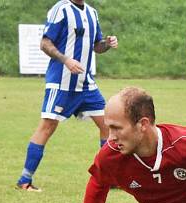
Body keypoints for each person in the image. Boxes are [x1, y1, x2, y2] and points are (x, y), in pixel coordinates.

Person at [16, 0, 118, 191]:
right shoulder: (60, 9)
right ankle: (24, 180)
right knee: (47, 127)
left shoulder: (92, 13)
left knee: (108, 125)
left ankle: (107, 178)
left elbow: (97, 45)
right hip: (61, 83)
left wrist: (108, 43)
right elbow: (45, 43)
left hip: (85, 84)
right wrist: (66, 60)